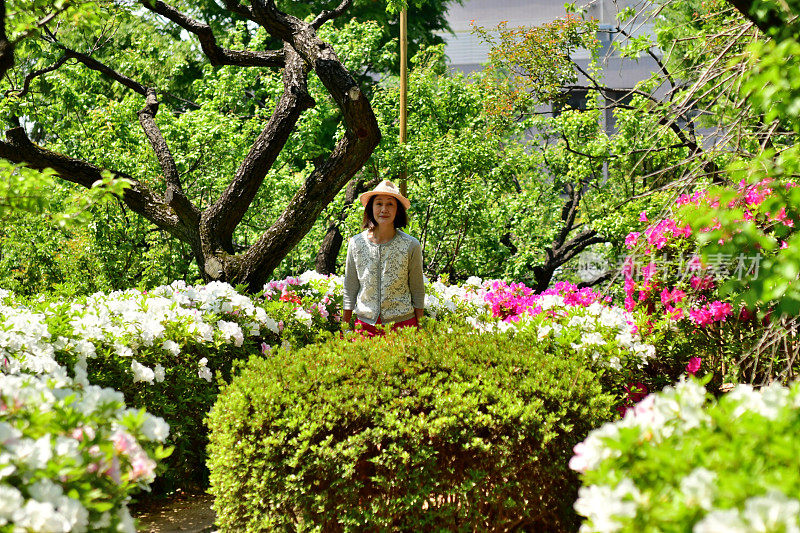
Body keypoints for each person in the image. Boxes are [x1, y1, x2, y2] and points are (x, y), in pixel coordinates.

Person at [342, 180, 425, 336]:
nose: (384, 209)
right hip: (364, 328)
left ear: (398, 210)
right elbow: (350, 288)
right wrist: (345, 328)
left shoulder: (411, 245)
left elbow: (417, 290)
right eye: (379, 203)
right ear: (371, 208)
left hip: (403, 327)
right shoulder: (356, 243)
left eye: (390, 204)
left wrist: (420, 329)